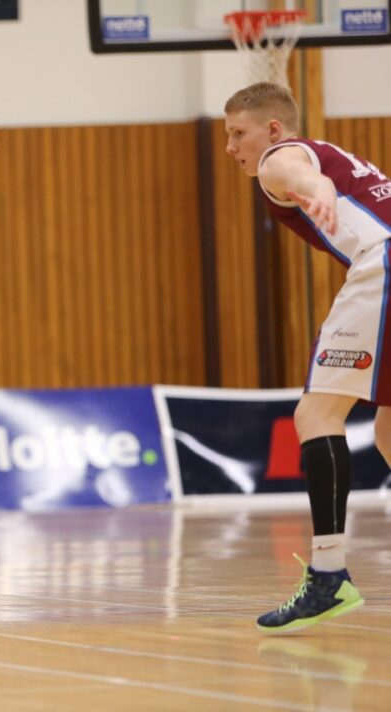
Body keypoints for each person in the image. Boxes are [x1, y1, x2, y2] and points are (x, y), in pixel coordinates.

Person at [224, 81, 389, 633]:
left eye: (238, 133)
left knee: (316, 414)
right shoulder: (333, 152)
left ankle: (329, 574)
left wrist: (316, 191)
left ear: (272, 129)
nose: (231, 147)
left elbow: (299, 175)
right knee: (388, 430)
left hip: (383, 262)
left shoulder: (279, 159)